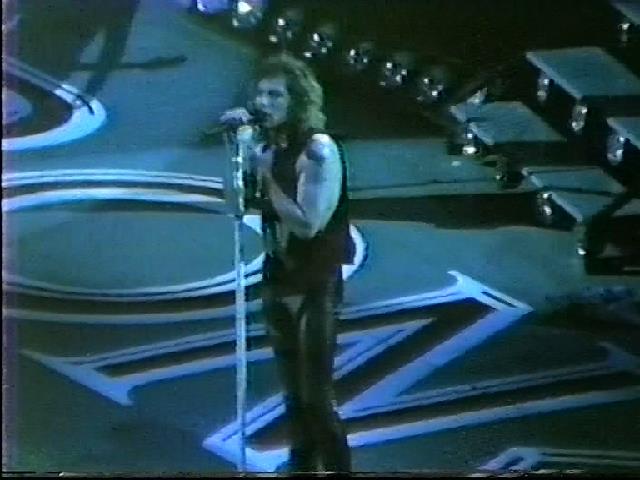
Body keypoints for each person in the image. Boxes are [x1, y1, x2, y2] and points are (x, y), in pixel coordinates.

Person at [220, 53, 354, 473]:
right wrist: (237, 153)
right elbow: (235, 205)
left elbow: (308, 224)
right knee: (292, 393)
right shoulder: (266, 147)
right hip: (278, 276)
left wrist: (267, 175)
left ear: (297, 101)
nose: (264, 102)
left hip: (315, 283)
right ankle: (303, 466)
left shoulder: (318, 150)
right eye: (260, 94)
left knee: (316, 395)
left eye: (275, 95)